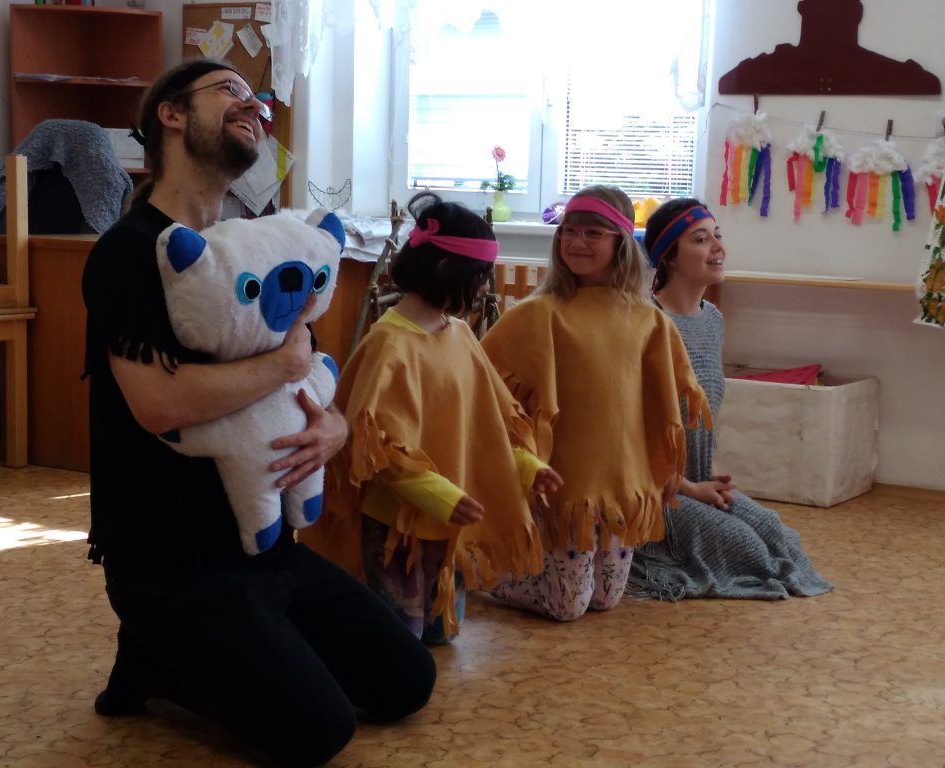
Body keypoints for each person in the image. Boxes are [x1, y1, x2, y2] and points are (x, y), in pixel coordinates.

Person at [82, 59, 435, 768]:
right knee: (317, 731)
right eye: (230, 91)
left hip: (267, 550)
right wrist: (285, 366)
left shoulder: (257, 240)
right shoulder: (128, 251)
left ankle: (230, 649)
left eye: (257, 97)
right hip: (170, 565)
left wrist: (332, 428)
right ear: (171, 116)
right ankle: (156, 652)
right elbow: (158, 404)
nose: (253, 105)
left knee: (406, 682)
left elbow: (307, 378)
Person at [300, 191, 563, 643]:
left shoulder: (459, 334)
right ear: (445, 270)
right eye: (480, 277)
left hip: (450, 519)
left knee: (440, 632)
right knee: (399, 638)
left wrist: (527, 466)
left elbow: (486, 426)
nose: (485, 288)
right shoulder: (390, 344)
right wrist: (441, 495)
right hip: (397, 522)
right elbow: (377, 449)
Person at [479, 185, 712, 621]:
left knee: (605, 598)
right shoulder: (539, 314)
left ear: (620, 241)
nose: (577, 242)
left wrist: (664, 470)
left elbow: (661, 407)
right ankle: (479, 572)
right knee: (567, 606)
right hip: (564, 489)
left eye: (592, 233)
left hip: (623, 484)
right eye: (569, 231)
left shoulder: (647, 319)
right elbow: (481, 381)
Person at [626, 198, 833, 601]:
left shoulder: (713, 319)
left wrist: (709, 479)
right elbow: (629, 436)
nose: (718, 247)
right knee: (746, 548)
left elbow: (701, 417)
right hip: (653, 490)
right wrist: (689, 488)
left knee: (775, 531)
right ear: (668, 256)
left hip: (697, 481)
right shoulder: (647, 324)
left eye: (717, 236)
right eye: (701, 239)